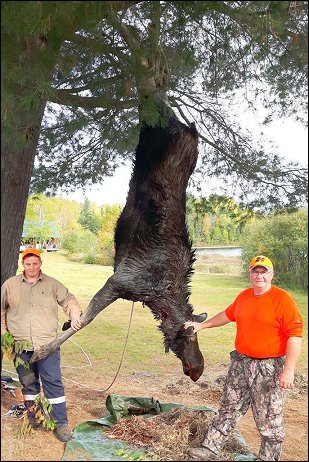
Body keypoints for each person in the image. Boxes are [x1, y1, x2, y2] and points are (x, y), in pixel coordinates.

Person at [184, 255, 303, 461]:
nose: (259, 276)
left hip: (268, 368)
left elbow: (295, 336)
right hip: (240, 363)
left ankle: (267, 458)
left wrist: (289, 370)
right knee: (228, 407)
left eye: (263, 272)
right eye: (255, 272)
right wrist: (202, 325)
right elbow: (228, 315)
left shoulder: (283, 300)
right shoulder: (244, 297)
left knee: (268, 417)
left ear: (271, 274)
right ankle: (210, 449)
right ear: (250, 275)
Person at [1, 248, 83, 442]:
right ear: (23, 265)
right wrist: (4, 334)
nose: (32, 267)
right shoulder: (10, 285)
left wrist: (75, 315)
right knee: (28, 384)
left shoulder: (52, 284)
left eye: (35, 263)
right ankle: (35, 418)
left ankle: (61, 424)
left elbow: (69, 300)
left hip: (48, 346)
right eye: (28, 264)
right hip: (20, 346)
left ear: (40, 263)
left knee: (53, 383)